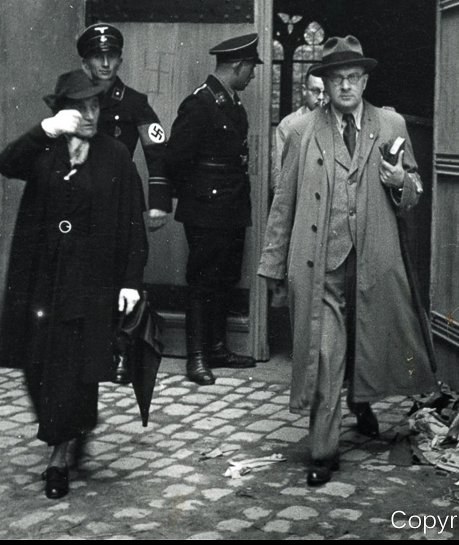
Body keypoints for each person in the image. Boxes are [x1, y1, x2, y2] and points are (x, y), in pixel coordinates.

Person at [257, 35, 437, 486]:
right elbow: (284, 202)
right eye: (336, 79)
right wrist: (273, 268)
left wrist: (400, 181)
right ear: (325, 82)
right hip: (321, 264)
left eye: (354, 78)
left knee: (368, 343)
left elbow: (414, 192)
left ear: (365, 80)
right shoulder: (301, 130)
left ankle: (361, 403)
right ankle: (323, 449)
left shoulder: (391, 124)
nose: (345, 87)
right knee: (325, 350)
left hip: (374, 262)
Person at [0, 70, 148, 500]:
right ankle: (74, 424)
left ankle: (58, 456)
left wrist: (131, 281)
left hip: (90, 279)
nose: (89, 114)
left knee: (70, 363)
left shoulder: (115, 155)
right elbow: (6, 164)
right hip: (41, 275)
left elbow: (133, 223)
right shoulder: (44, 149)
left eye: (96, 106)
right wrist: (44, 131)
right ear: (61, 110)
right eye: (80, 107)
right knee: (36, 365)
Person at [77, 22, 172, 385]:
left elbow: (156, 151)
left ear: (120, 59)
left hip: (121, 194)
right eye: (97, 57)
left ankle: (121, 349)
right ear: (85, 62)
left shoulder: (134, 102)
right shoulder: (76, 98)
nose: (105, 63)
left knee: (126, 266)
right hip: (81, 195)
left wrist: (159, 202)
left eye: (111, 56)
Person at [165, 33, 262, 385]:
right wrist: (201, 195)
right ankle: (197, 356)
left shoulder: (233, 104)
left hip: (232, 208)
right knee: (202, 281)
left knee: (225, 277)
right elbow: (174, 159)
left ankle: (218, 348)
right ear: (236, 65)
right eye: (250, 67)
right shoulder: (200, 104)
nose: (253, 75)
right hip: (206, 211)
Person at [271, 67, 327, 195]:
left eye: (326, 91)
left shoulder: (341, 122)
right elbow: (279, 176)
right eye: (315, 91)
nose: (321, 97)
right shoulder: (287, 126)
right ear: (304, 91)